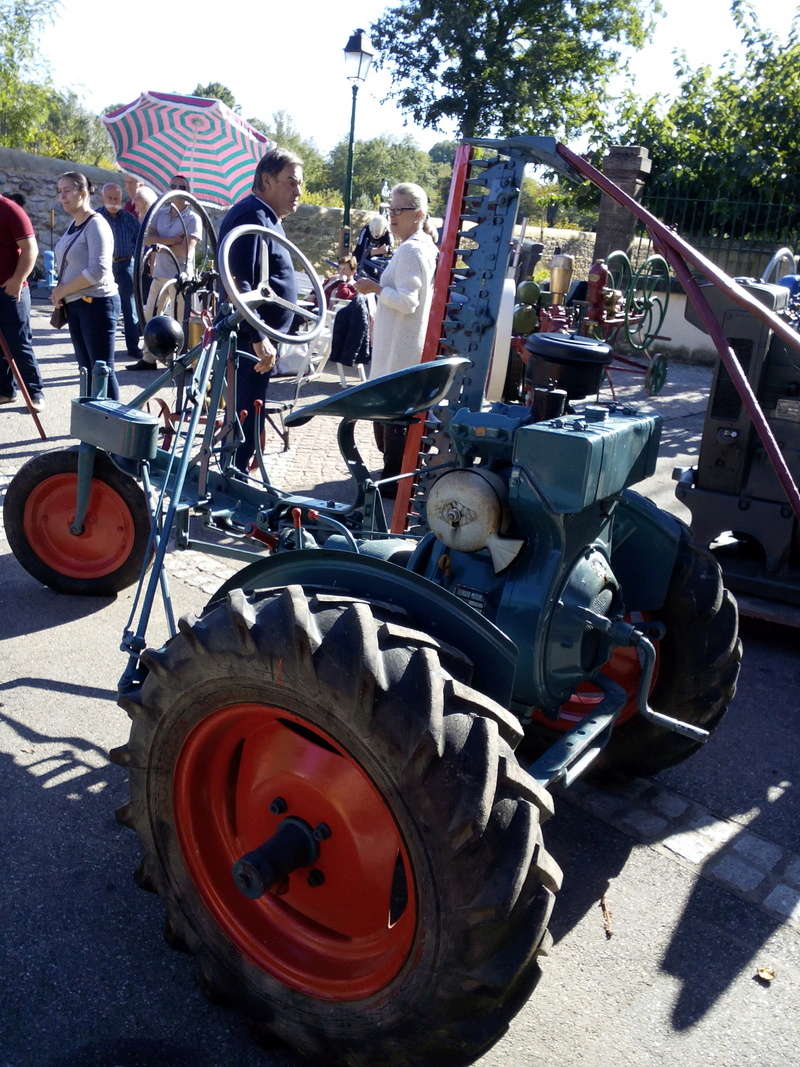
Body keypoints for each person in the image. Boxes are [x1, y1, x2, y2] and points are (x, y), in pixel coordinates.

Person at [217, 146, 304, 471]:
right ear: (266, 180)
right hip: (251, 342)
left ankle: (235, 479)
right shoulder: (251, 216)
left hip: (261, 339)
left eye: (299, 184)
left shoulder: (266, 217)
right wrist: (257, 337)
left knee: (250, 417)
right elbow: (238, 282)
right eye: (291, 182)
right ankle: (231, 484)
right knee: (244, 420)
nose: (298, 191)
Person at [355, 182, 438, 486]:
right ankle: (397, 476)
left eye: (398, 210)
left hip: (399, 349)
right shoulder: (422, 246)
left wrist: (375, 288)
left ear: (417, 214)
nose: (391, 216)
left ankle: (394, 482)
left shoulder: (412, 250)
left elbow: (408, 300)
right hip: (404, 345)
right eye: (390, 209)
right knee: (395, 418)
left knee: (392, 417)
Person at [52, 172, 121, 400]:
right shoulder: (74, 224)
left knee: (102, 369)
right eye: (59, 191)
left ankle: (113, 427)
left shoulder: (96, 224)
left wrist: (63, 289)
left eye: (67, 191)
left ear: (82, 193)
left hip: (97, 304)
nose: (62, 197)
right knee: (87, 370)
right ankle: (94, 425)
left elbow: (97, 271)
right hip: (77, 304)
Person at [128, 173, 201, 370]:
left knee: (179, 321)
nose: (177, 189)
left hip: (180, 277)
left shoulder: (193, 218)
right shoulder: (159, 213)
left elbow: (186, 249)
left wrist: (160, 241)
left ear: (188, 192)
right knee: (150, 315)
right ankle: (148, 358)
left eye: (182, 187)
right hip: (160, 273)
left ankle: (180, 360)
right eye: (173, 185)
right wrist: (171, 240)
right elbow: (147, 238)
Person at [0, 193, 45, 411]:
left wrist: (17, 280)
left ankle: (35, 393)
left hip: (12, 289)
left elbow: (30, 249)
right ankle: (5, 391)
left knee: (18, 342)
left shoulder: (11, 210)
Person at [98, 182, 141, 364]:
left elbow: (139, 240)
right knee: (103, 308)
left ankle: (133, 347)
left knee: (129, 308)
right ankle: (103, 350)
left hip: (125, 265)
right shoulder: (96, 217)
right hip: (103, 267)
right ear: (103, 198)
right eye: (110, 198)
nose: (114, 202)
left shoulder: (129, 218)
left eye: (117, 198)